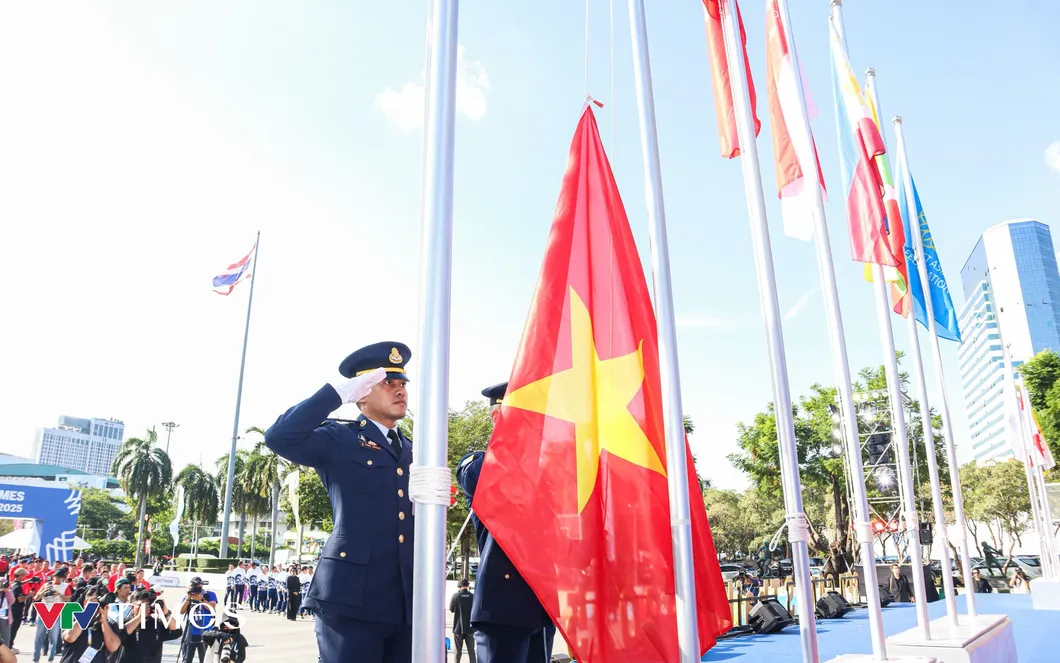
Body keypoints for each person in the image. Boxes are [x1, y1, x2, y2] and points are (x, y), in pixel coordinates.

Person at [265, 341, 416, 662]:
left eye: (402, 383)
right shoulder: (340, 438)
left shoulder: (414, 449)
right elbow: (280, 437)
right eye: (388, 382)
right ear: (361, 393)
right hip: (352, 596)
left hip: (405, 599)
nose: (400, 389)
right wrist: (336, 394)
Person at [456, 382, 555, 663]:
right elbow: (480, 478)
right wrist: (509, 435)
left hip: (542, 600)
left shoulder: (546, 467)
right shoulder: (475, 462)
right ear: (497, 417)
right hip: (503, 603)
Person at [111, 590, 182, 663]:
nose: (145, 608)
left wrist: (166, 613)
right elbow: (120, 635)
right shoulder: (124, 622)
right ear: (132, 607)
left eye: (147, 605)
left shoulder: (156, 623)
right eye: (141, 606)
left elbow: (177, 632)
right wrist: (139, 617)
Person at [58, 585, 122, 663]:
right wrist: (88, 612)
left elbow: (113, 647)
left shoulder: (110, 624)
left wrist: (104, 622)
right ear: (85, 602)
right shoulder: (70, 616)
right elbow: (70, 637)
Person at [178, 576, 218, 663]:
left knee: (205, 660)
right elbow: (181, 611)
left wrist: (201, 599)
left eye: (199, 586)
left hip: (206, 632)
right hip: (190, 632)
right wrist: (188, 598)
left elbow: (212, 608)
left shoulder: (209, 594)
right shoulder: (187, 596)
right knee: (186, 659)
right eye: (195, 586)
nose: (197, 588)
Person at [449, 579, 476, 663]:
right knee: (471, 651)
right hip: (470, 628)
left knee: (458, 651)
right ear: (468, 586)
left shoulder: (455, 596)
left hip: (458, 628)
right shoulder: (473, 596)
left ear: (459, 586)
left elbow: (451, 609)